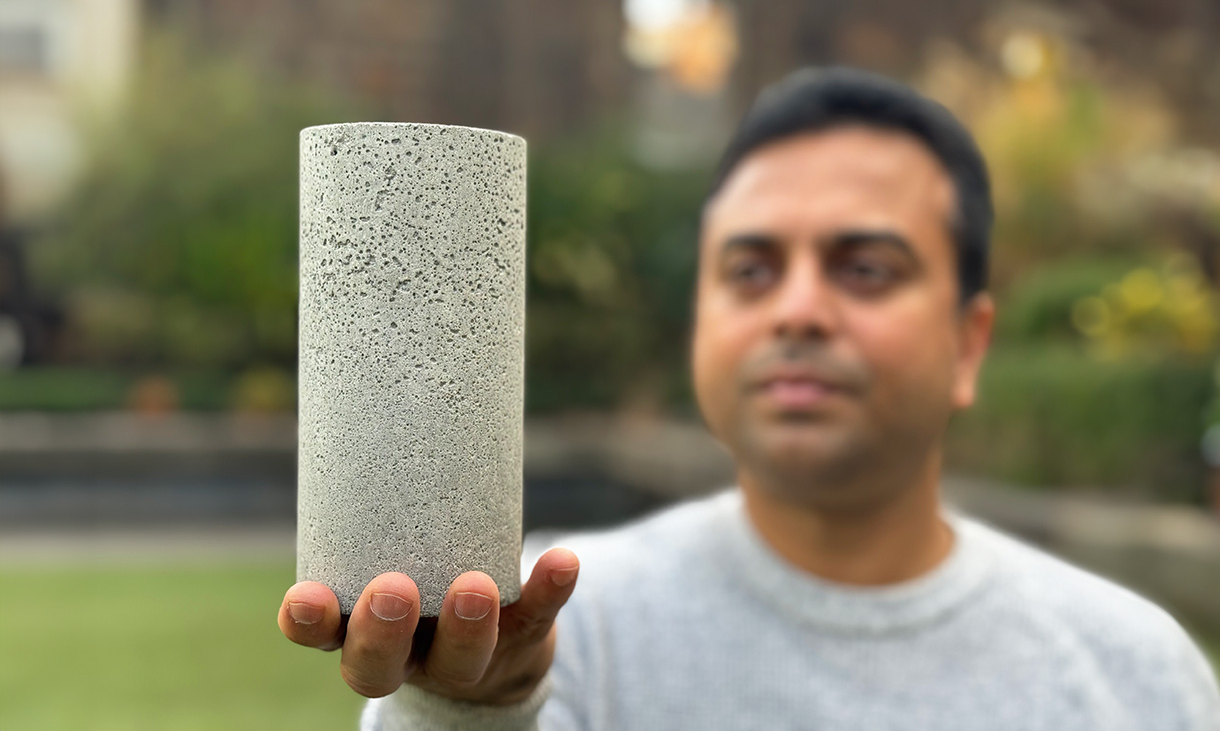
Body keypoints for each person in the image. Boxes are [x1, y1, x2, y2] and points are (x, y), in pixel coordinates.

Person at [279, 67, 1220, 730]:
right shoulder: (558, 633)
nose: (798, 310)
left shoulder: (1137, 673)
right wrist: (471, 710)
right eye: (751, 267)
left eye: (864, 266)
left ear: (969, 341)